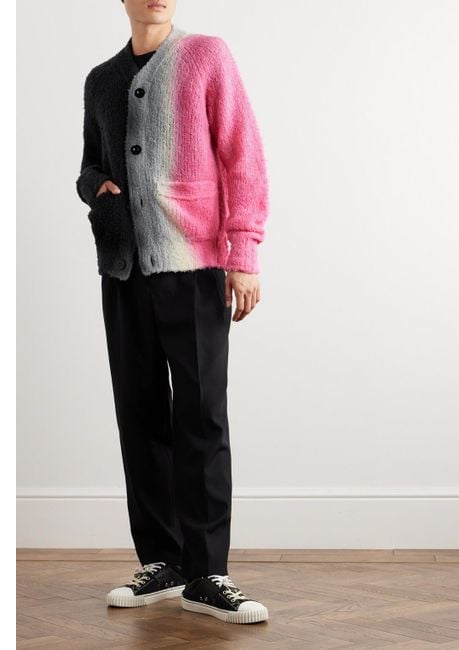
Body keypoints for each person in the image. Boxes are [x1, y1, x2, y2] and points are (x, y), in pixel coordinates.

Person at [75, 0, 269, 625]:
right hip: (124, 270)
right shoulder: (102, 79)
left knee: (202, 416)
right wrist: (96, 188)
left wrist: (244, 252)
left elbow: (242, 156)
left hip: (196, 264)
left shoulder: (206, 56)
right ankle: (163, 561)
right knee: (139, 416)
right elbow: (89, 166)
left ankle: (209, 572)